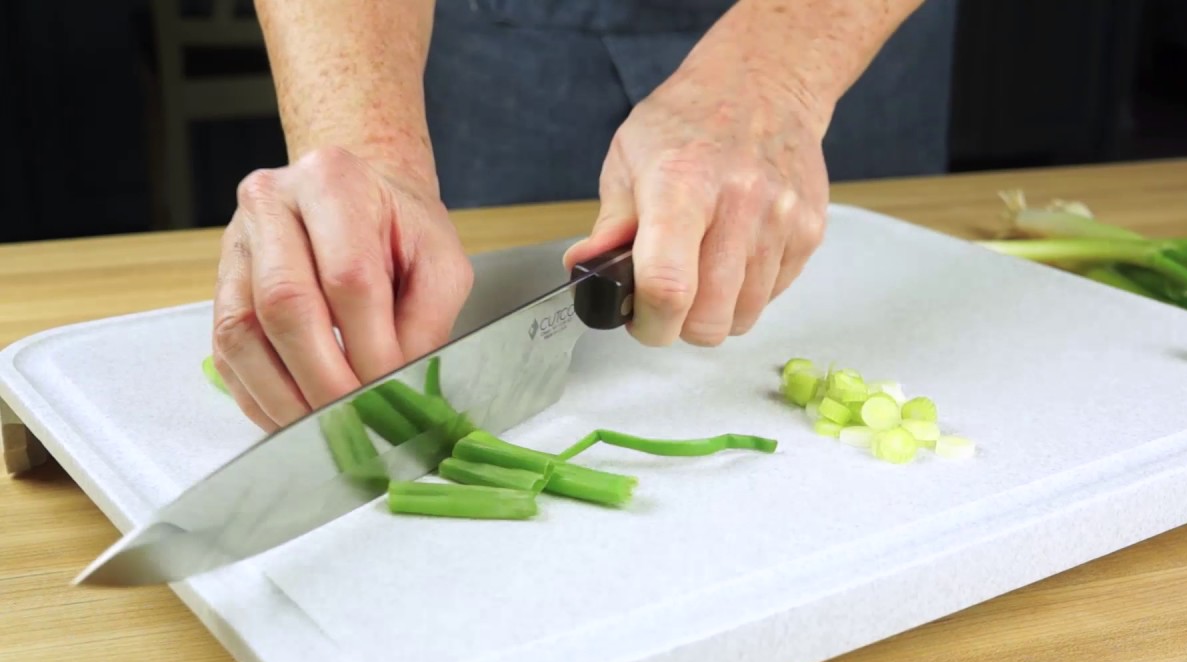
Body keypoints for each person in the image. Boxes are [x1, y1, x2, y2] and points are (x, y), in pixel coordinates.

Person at [212, 0, 957, 432]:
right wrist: (364, 145)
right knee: (418, 305)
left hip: (839, 29)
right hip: (510, 35)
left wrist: (780, 75)